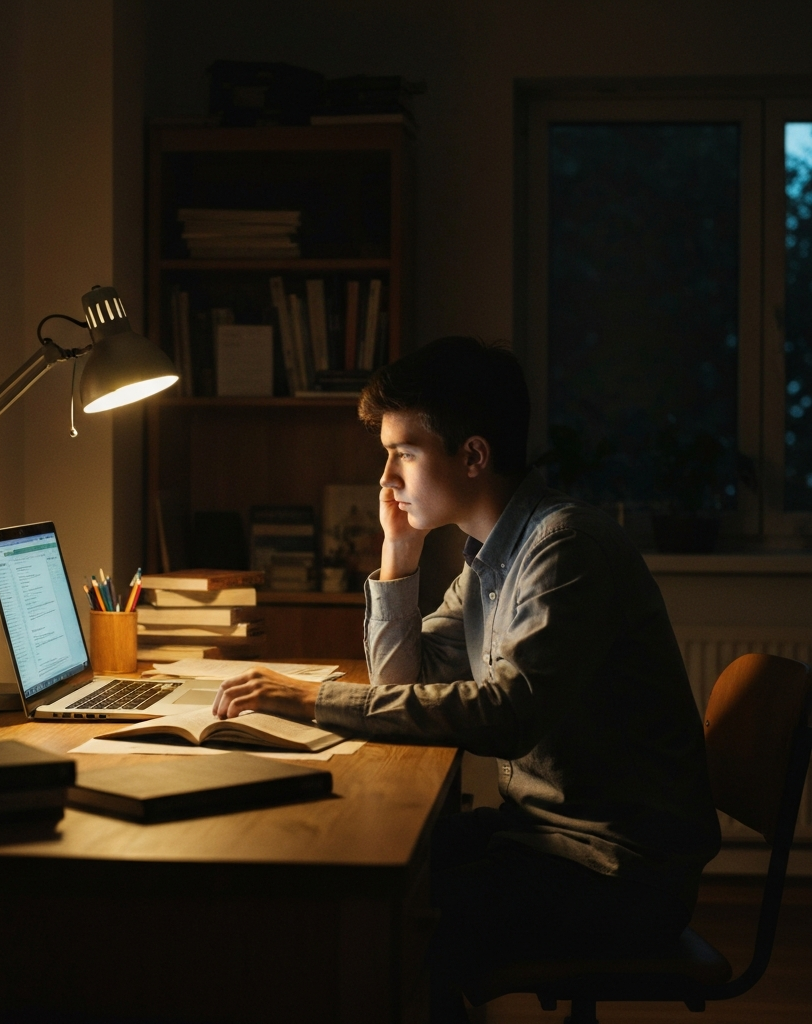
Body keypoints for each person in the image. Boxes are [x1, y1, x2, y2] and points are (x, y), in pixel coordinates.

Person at [211, 337, 721, 1022]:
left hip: (616, 871)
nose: (386, 476)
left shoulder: (563, 548)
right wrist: (400, 553)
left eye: (405, 453)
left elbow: (507, 716)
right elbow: (407, 675)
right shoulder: (490, 558)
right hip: (542, 835)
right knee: (361, 857)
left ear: (473, 456)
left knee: (391, 915)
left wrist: (313, 699)